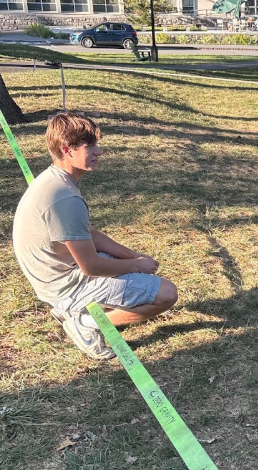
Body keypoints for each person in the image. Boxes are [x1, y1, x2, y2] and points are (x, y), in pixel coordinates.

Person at [13, 112, 178, 360]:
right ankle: (84, 322)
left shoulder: (54, 180)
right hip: (62, 286)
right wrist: (137, 266)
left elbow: (88, 234)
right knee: (167, 294)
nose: (99, 152)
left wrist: (133, 256)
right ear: (67, 150)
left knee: (132, 273)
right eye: (90, 147)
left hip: (58, 273)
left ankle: (79, 310)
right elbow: (91, 266)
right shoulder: (65, 199)